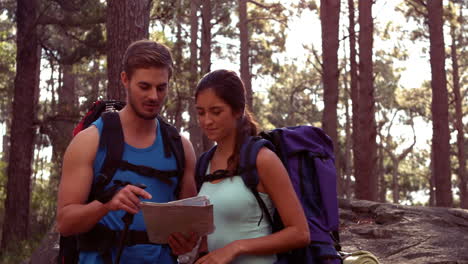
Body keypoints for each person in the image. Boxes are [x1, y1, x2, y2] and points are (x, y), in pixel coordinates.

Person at [56, 39, 197, 263]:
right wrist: (106, 204)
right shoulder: (90, 141)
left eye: (161, 87)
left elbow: (189, 228)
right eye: (144, 86)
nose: (153, 96)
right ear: (125, 79)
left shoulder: (181, 147)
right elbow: (65, 223)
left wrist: (187, 242)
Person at [169, 69, 310, 264]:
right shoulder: (204, 164)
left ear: (238, 110)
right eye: (200, 112)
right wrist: (191, 248)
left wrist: (236, 248)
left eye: (216, 111)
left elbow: (300, 233)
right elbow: (208, 238)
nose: (206, 121)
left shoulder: (263, 159)